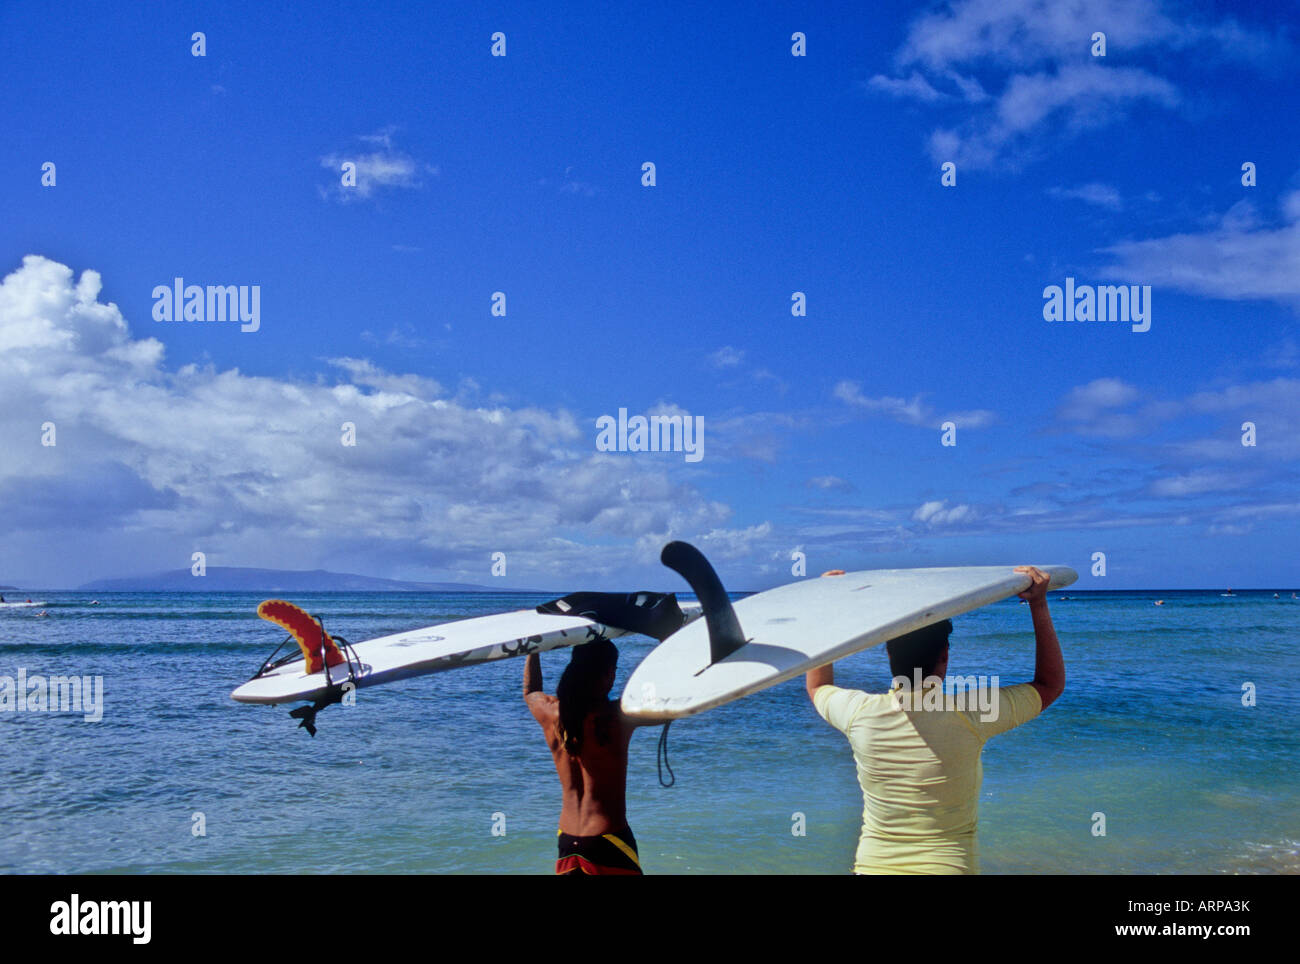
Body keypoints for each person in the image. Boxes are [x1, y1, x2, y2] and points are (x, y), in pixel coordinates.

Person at [805, 565, 1064, 874]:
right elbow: (1049, 684)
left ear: (888, 655)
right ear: (945, 655)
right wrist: (1038, 603)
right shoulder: (974, 713)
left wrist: (824, 604)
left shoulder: (859, 713)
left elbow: (817, 685)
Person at [523, 641, 648, 875]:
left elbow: (530, 692)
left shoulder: (551, 713)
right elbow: (670, 702)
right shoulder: (618, 716)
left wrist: (534, 646)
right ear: (608, 674)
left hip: (568, 840)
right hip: (609, 839)